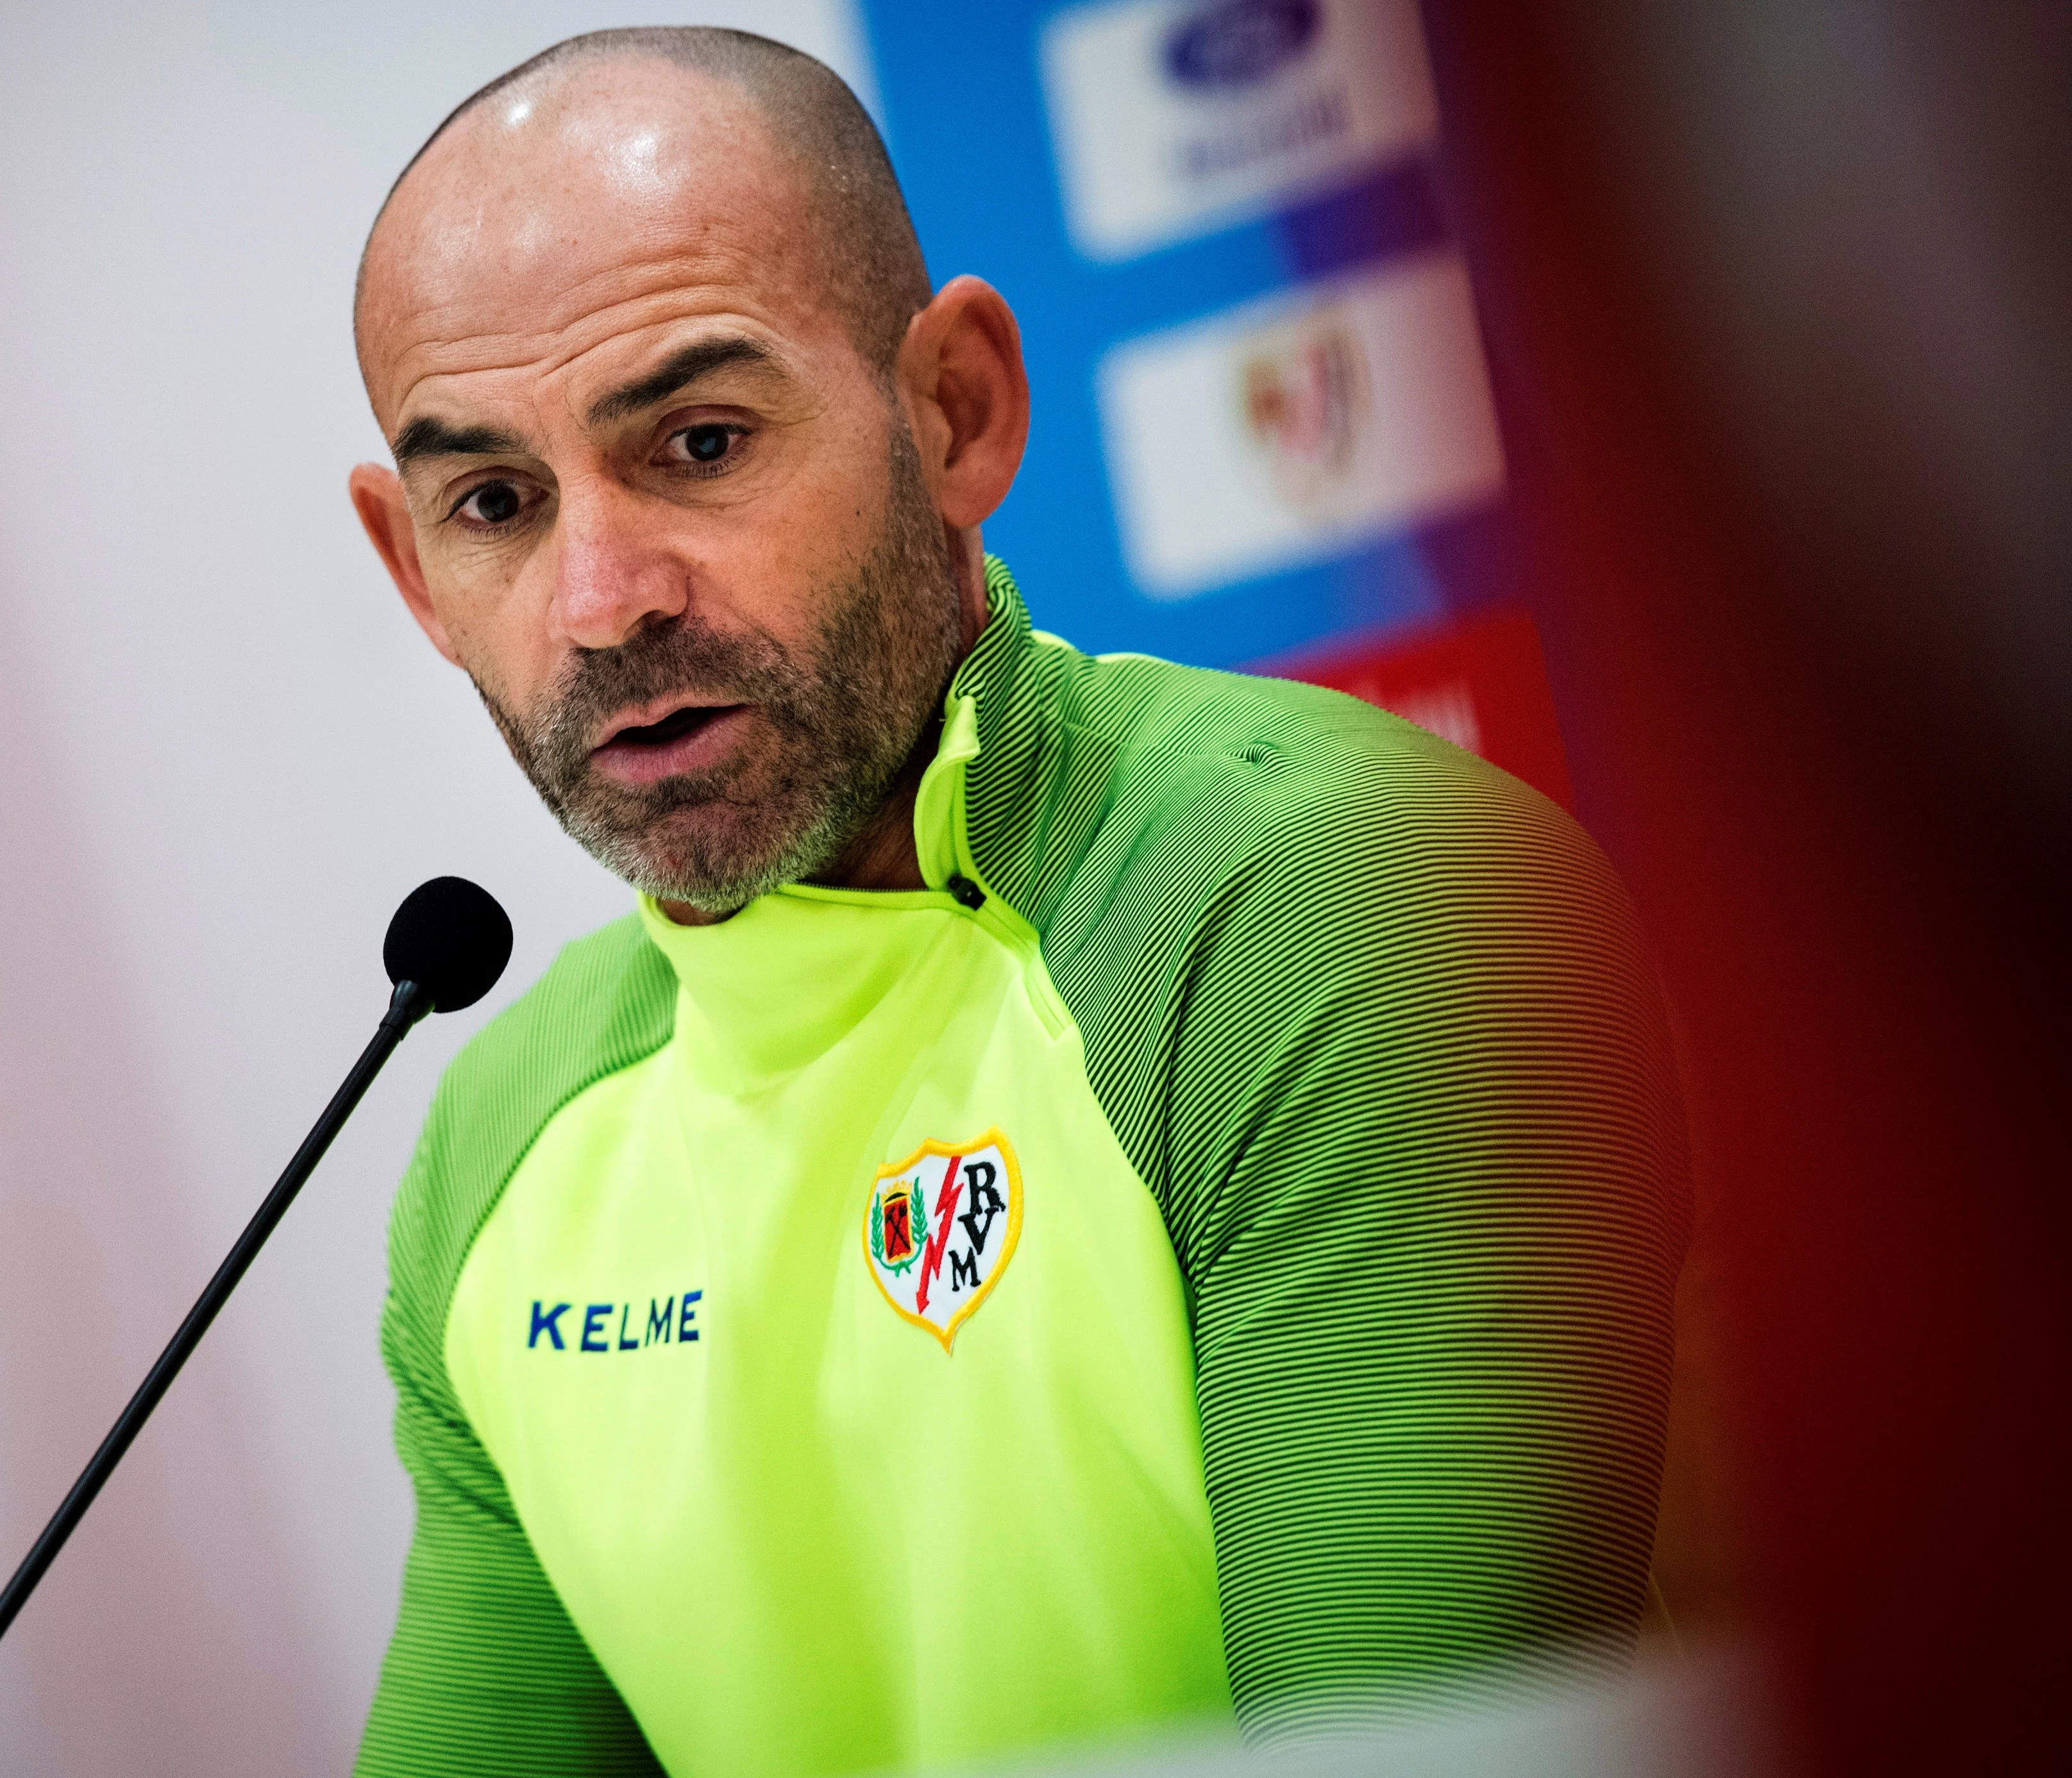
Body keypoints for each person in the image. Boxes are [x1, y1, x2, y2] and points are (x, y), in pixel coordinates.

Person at [343, 28, 1685, 1777]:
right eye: (496, 502)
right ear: (413, 568)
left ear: (955, 409)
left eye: (700, 439)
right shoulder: (499, 1143)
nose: (600, 600)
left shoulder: (1326, 910)